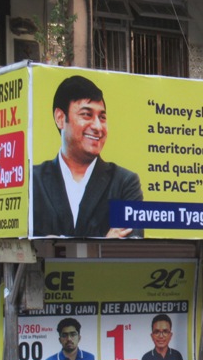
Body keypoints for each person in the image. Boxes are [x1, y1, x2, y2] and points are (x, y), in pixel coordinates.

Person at [32, 75, 143, 238]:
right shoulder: (33, 181)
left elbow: (130, 247)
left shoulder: (123, 183)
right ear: (60, 118)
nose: (98, 127)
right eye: (86, 115)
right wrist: (104, 242)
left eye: (102, 117)